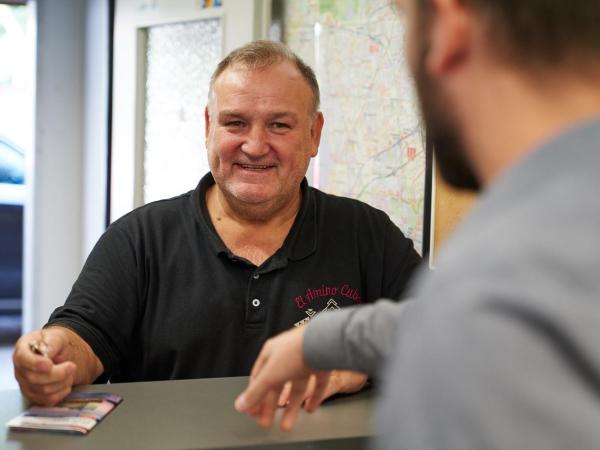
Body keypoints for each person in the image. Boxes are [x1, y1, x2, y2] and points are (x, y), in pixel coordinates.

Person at [235, 0, 600, 448]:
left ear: (449, 23)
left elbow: (469, 321)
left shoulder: (496, 288)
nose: (255, 145)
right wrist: (325, 339)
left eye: (405, 23)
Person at [12, 40, 421, 406]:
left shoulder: (366, 235)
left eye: (279, 124)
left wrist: (363, 359)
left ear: (314, 134)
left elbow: (446, 330)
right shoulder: (138, 239)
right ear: (209, 128)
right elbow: (85, 335)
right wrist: (54, 356)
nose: (255, 145)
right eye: (235, 123)